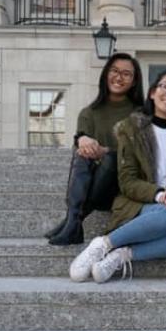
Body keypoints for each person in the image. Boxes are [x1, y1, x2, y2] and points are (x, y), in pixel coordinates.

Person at [69, 70, 166, 284]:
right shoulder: (131, 129)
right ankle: (103, 244)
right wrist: (160, 194)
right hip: (137, 202)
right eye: (165, 86)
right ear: (153, 92)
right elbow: (127, 181)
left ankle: (121, 256)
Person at [45, 53, 145, 246]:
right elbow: (82, 144)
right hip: (94, 186)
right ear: (106, 74)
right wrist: (82, 139)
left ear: (134, 82)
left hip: (123, 186)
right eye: (114, 71)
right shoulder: (88, 113)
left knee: (110, 159)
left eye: (126, 74)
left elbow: (139, 155)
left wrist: (105, 152)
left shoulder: (141, 114)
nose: (119, 77)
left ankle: (73, 220)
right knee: (81, 153)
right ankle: (73, 220)